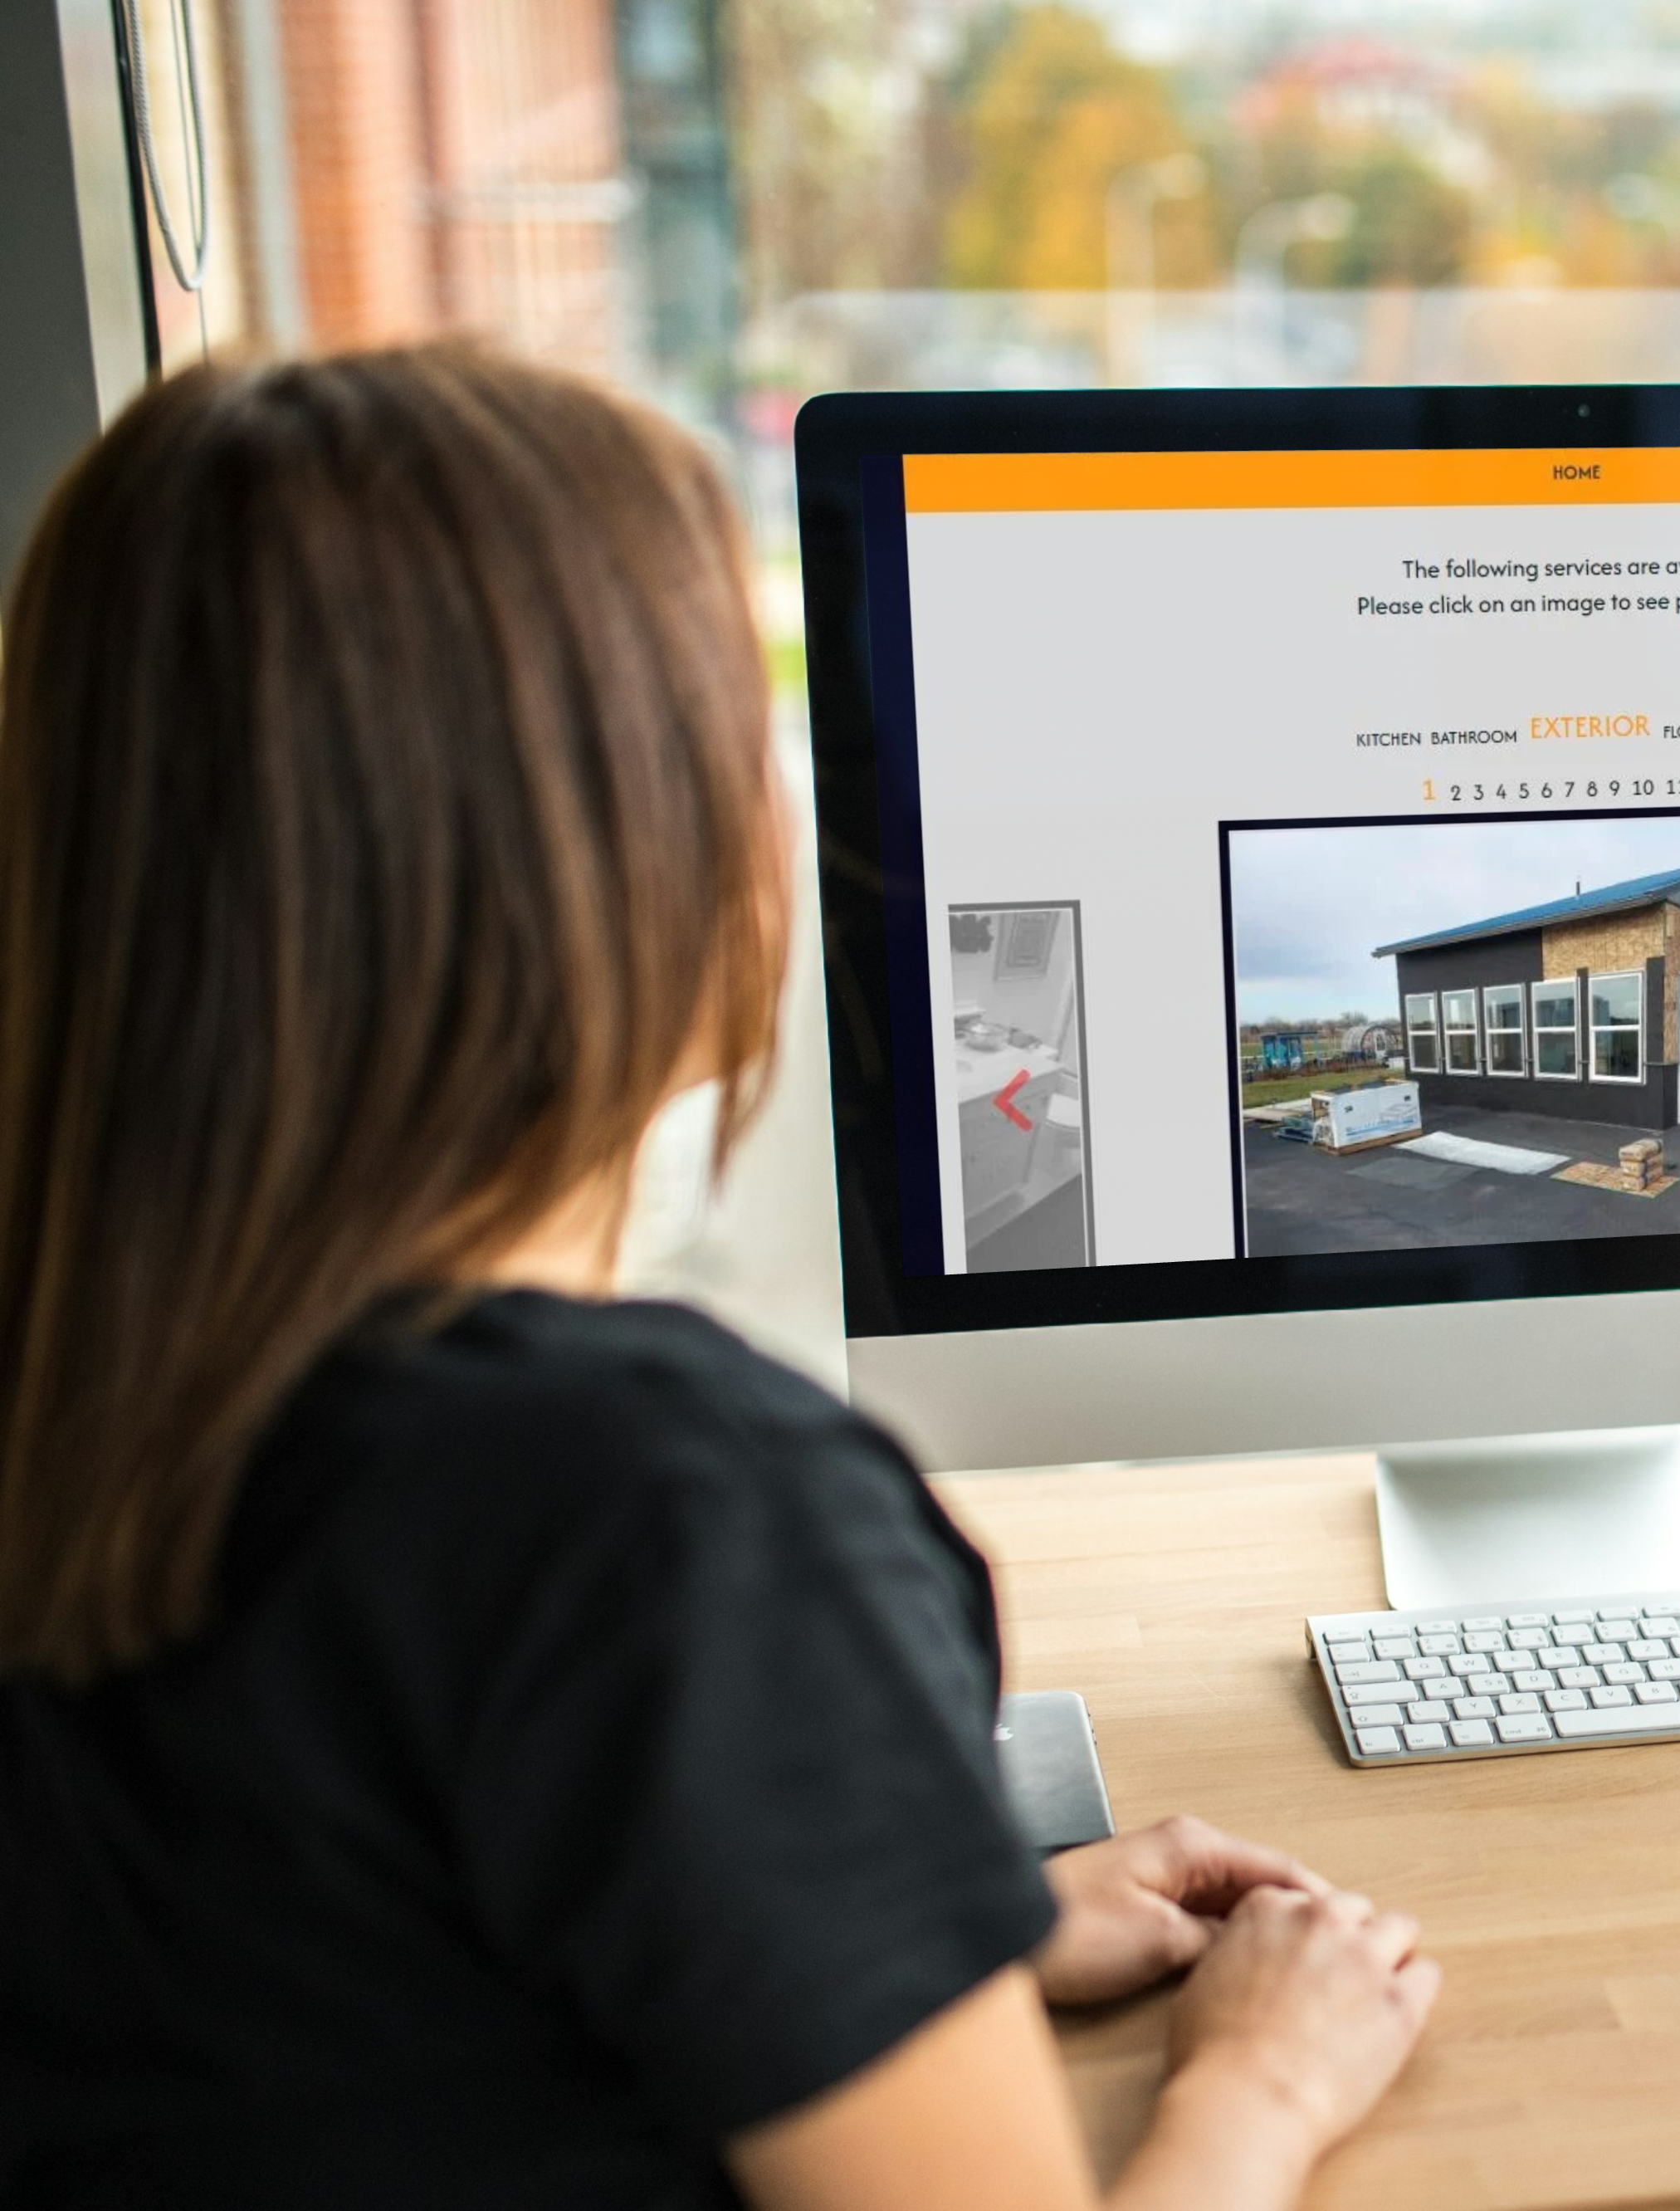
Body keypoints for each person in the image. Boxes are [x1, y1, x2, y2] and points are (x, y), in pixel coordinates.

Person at [0, 346, 1435, 2209]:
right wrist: (1260, 2079)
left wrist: (910, 1927)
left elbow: (365, 2015)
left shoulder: (96, 1411)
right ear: (621, 852)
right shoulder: (660, 1514)